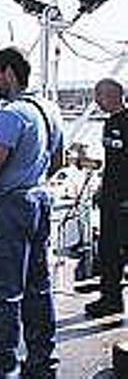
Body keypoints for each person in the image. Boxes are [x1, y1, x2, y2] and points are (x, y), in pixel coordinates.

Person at [0, 47, 62, 378]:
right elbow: (57, 161)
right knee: (38, 287)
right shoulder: (49, 111)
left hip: (9, 209)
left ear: (9, 72)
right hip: (38, 202)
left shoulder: (10, 115)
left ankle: (2, 370)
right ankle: (42, 363)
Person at [85, 78, 128, 317]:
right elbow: (113, 162)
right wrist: (103, 188)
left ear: (113, 95)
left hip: (124, 200)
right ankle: (110, 299)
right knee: (108, 250)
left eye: (99, 95)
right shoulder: (109, 124)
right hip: (110, 197)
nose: (96, 101)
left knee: (122, 249)